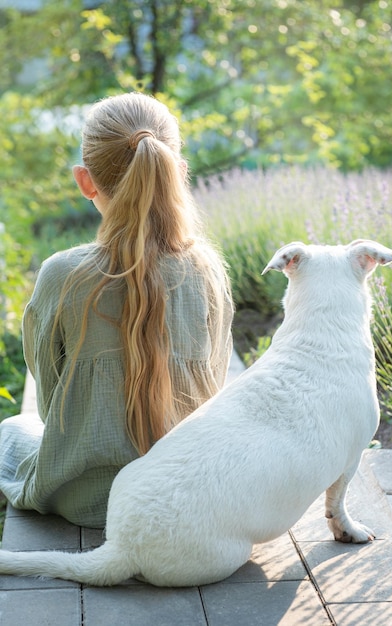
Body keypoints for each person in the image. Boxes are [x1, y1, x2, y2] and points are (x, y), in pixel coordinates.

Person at [0, 92, 234, 528]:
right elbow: (214, 387)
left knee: (13, 429)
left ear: (85, 181)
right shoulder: (206, 269)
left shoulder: (62, 275)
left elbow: (52, 403)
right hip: (185, 489)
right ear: (177, 174)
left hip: (88, 500)